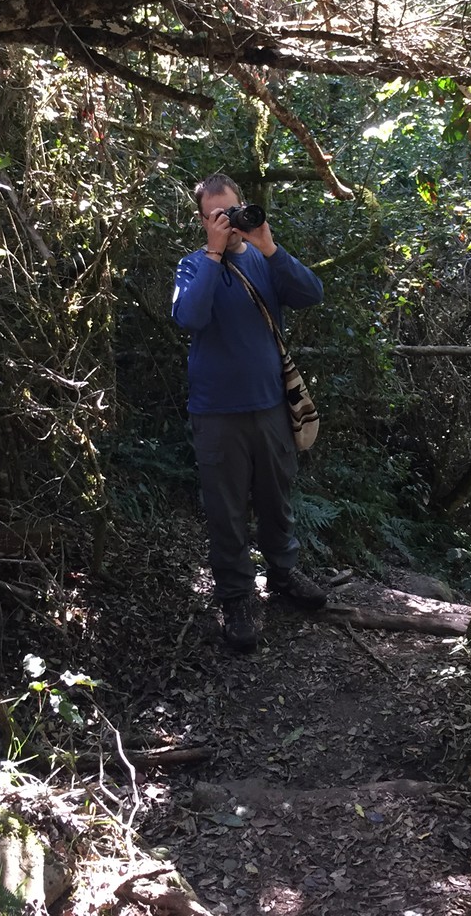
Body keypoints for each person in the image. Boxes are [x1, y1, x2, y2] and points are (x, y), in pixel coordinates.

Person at [172, 173, 328, 650]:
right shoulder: (192, 266)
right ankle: (236, 597)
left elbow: (312, 294)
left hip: (270, 407)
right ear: (203, 220)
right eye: (216, 215)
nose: (228, 221)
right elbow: (189, 317)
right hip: (217, 413)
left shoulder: (263, 259)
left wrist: (270, 246)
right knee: (226, 509)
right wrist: (214, 253)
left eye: (233, 210)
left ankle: (282, 574)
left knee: (276, 498)